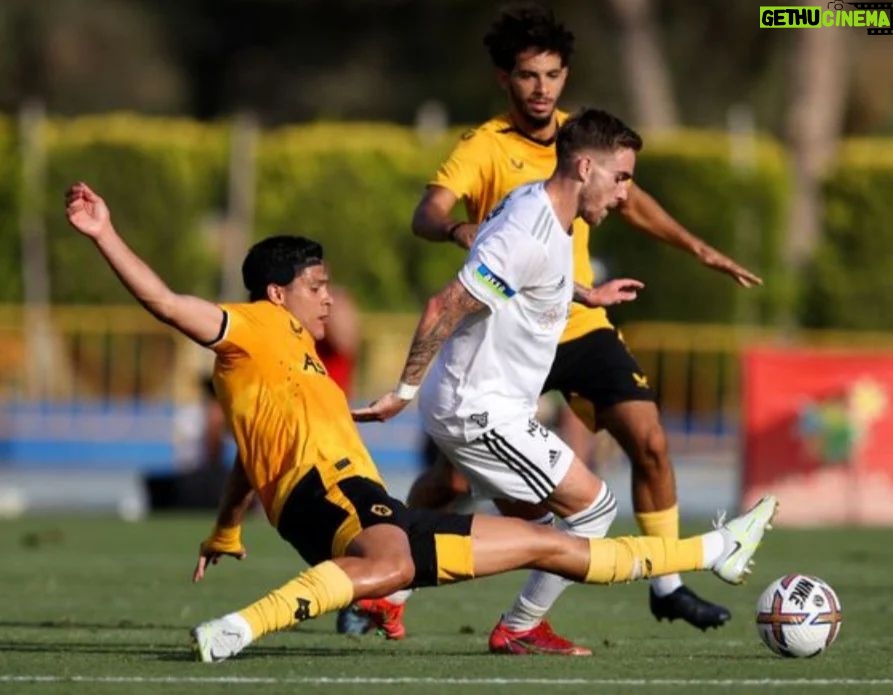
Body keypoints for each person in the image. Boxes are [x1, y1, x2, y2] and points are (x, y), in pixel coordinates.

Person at [63, 176, 776, 664]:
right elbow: (163, 301)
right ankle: (240, 626)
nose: (327, 297)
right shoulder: (249, 326)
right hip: (329, 491)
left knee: (544, 542)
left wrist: (224, 527)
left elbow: (253, 456)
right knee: (394, 561)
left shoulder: (290, 362)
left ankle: (714, 552)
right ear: (276, 293)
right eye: (315, 286)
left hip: (349, 501)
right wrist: (104, 232)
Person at [377, 4, 764, 650]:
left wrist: (601, 283)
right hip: (488, 383)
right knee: (553, 513)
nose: (543, 87)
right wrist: (403, 390)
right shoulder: (493, 161)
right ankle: (411, 588)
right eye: (529, 75)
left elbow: (568, 239)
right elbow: (442, 287)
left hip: (558, 325)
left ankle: (653, 585)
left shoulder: (562, 173)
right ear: (506, 78)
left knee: (620, 462)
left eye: (554, 74)